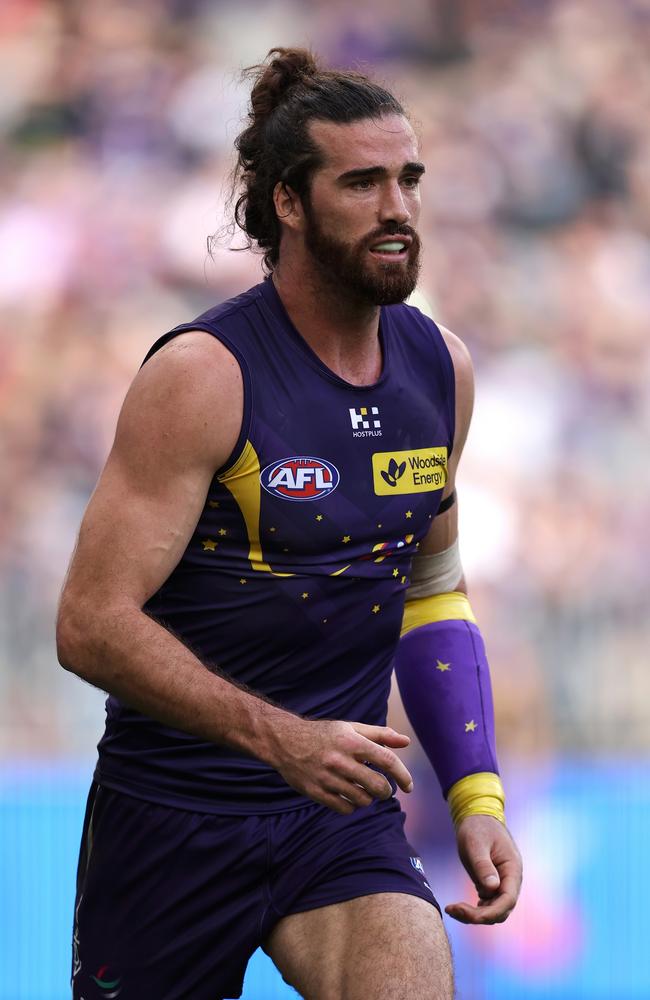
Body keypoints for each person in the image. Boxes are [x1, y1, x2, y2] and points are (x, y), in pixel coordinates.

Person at [57, 47, 522, 1000]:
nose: (398, 208)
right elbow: (90, 623)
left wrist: (476, 795)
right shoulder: (203, 374)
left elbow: (430, 592)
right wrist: (279, 739)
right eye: (362, 183)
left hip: (338, 820)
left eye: (409, 179)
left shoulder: (443, 372)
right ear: (288, 204)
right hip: (172, 821)